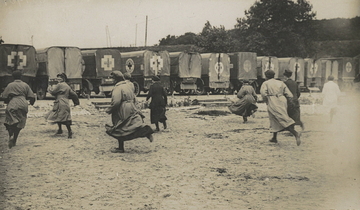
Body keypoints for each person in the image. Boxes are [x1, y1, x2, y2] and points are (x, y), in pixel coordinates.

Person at [105, 71, 154, 153]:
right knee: (132, 124)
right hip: (131, 106)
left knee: (119, 126)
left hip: (122, 108)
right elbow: (134, 97)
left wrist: (110, 110)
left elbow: (116, 101)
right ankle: (145, 132)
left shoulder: (118, 88)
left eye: (113, 78)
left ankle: (121, 147)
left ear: (116, 79)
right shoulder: (128, 85)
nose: (112, 80)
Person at [260, 70, 301, 146]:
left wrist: (266, 101)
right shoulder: (280, 82)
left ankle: (295, 133)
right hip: (282, 100)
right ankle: (274, 138)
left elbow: (263, 94)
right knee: (275, 117)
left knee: (280, 118)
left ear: (266, 76)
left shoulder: (266, 83)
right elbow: (289, 94)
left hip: (273, 100)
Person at [0, 70, 35, 148]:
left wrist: (7, 100)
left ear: (13, 77)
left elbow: (4, 96)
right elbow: (32, 96)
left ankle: (11, 135)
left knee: (10, 121)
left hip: (13, 102)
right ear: (21, 77)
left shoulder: (10, 85)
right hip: (23, 102)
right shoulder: (25, 85)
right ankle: (15, 139)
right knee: (21, 122)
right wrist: (31, 103)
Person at [45, 73, 79, 139]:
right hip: (66, 102)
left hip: (59, 102)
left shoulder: (59, 85)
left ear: (62, 79)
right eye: (57, 78)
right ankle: (64, 130)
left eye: (59, 78)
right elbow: (74, 94)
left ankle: (66, 131)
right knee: (64, 117)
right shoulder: (67, 86)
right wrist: (76, 102)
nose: (58, 79)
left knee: (59, 116)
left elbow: (53, 92)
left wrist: (49, 88)